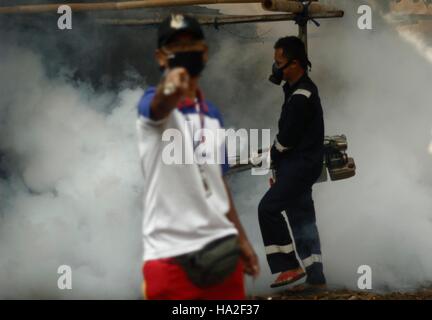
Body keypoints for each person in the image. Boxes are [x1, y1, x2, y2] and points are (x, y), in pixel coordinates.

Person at [136, 14, 259, 300]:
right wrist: (171, 86)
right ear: (160, 57)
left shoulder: (212, 114)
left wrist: (241, 239)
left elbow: (219, 183)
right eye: (175, 46)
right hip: (170, 258)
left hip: (221, 255)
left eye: (191, 45)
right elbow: (158, 106)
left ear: (204, 52)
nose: (184, 51)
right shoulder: (151, 106)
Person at [258, 36, 326, 290]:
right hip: (299, 165)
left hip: (299, 166)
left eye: (279, 63)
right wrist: (276, 160)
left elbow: (286, 139)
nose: (276, 68)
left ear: (295, 64)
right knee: (301, 218)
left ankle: (288, 266)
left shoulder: (301, 96)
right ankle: (316, 276)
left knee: (268, 209)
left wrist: (271, 154)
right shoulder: (296, 91)